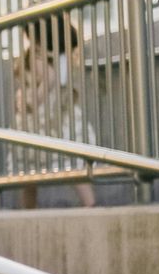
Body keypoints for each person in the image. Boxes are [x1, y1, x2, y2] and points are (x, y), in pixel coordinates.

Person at [10, 13, 95, 209]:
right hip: (60, 111)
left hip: (43, 115)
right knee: (72, 160)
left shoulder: (39, 54)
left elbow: (49, 78)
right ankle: (90, 204)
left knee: (29, 168)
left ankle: (28, 211)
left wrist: (31, 101)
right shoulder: (59, 52)